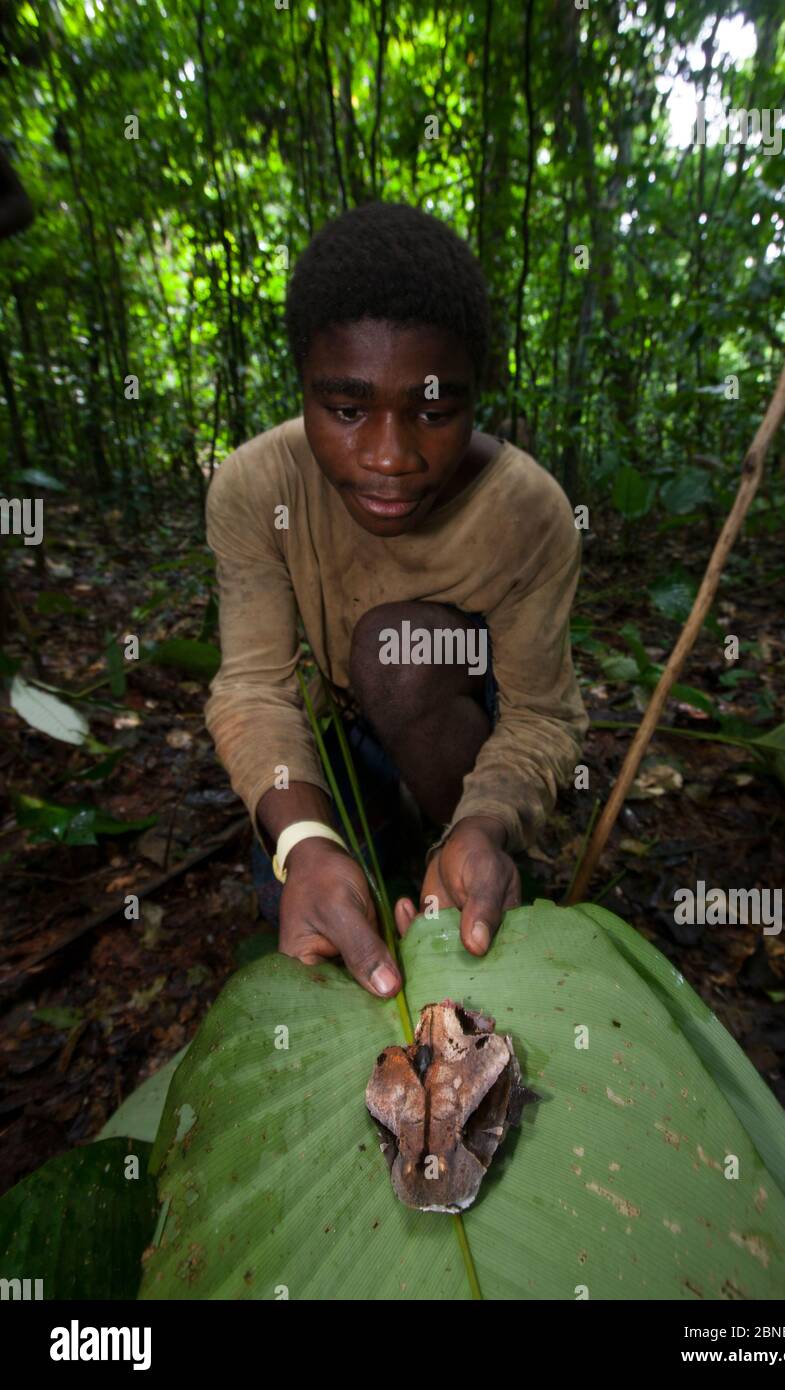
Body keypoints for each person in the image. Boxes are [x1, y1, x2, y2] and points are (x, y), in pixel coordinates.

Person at [204, 201, 589, 999]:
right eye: (347, 411)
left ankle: (464, 850)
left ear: (478, 395)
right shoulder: (254, 486)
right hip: (340, 738)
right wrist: (307, 842)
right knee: (309, 910)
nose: (389, 456)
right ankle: (390, 836)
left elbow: (542, 715)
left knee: (397, 655)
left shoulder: (529, 512)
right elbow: (254, 688)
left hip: (459, 726)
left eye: (435, 412)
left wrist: (486, 822)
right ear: (304, 390)